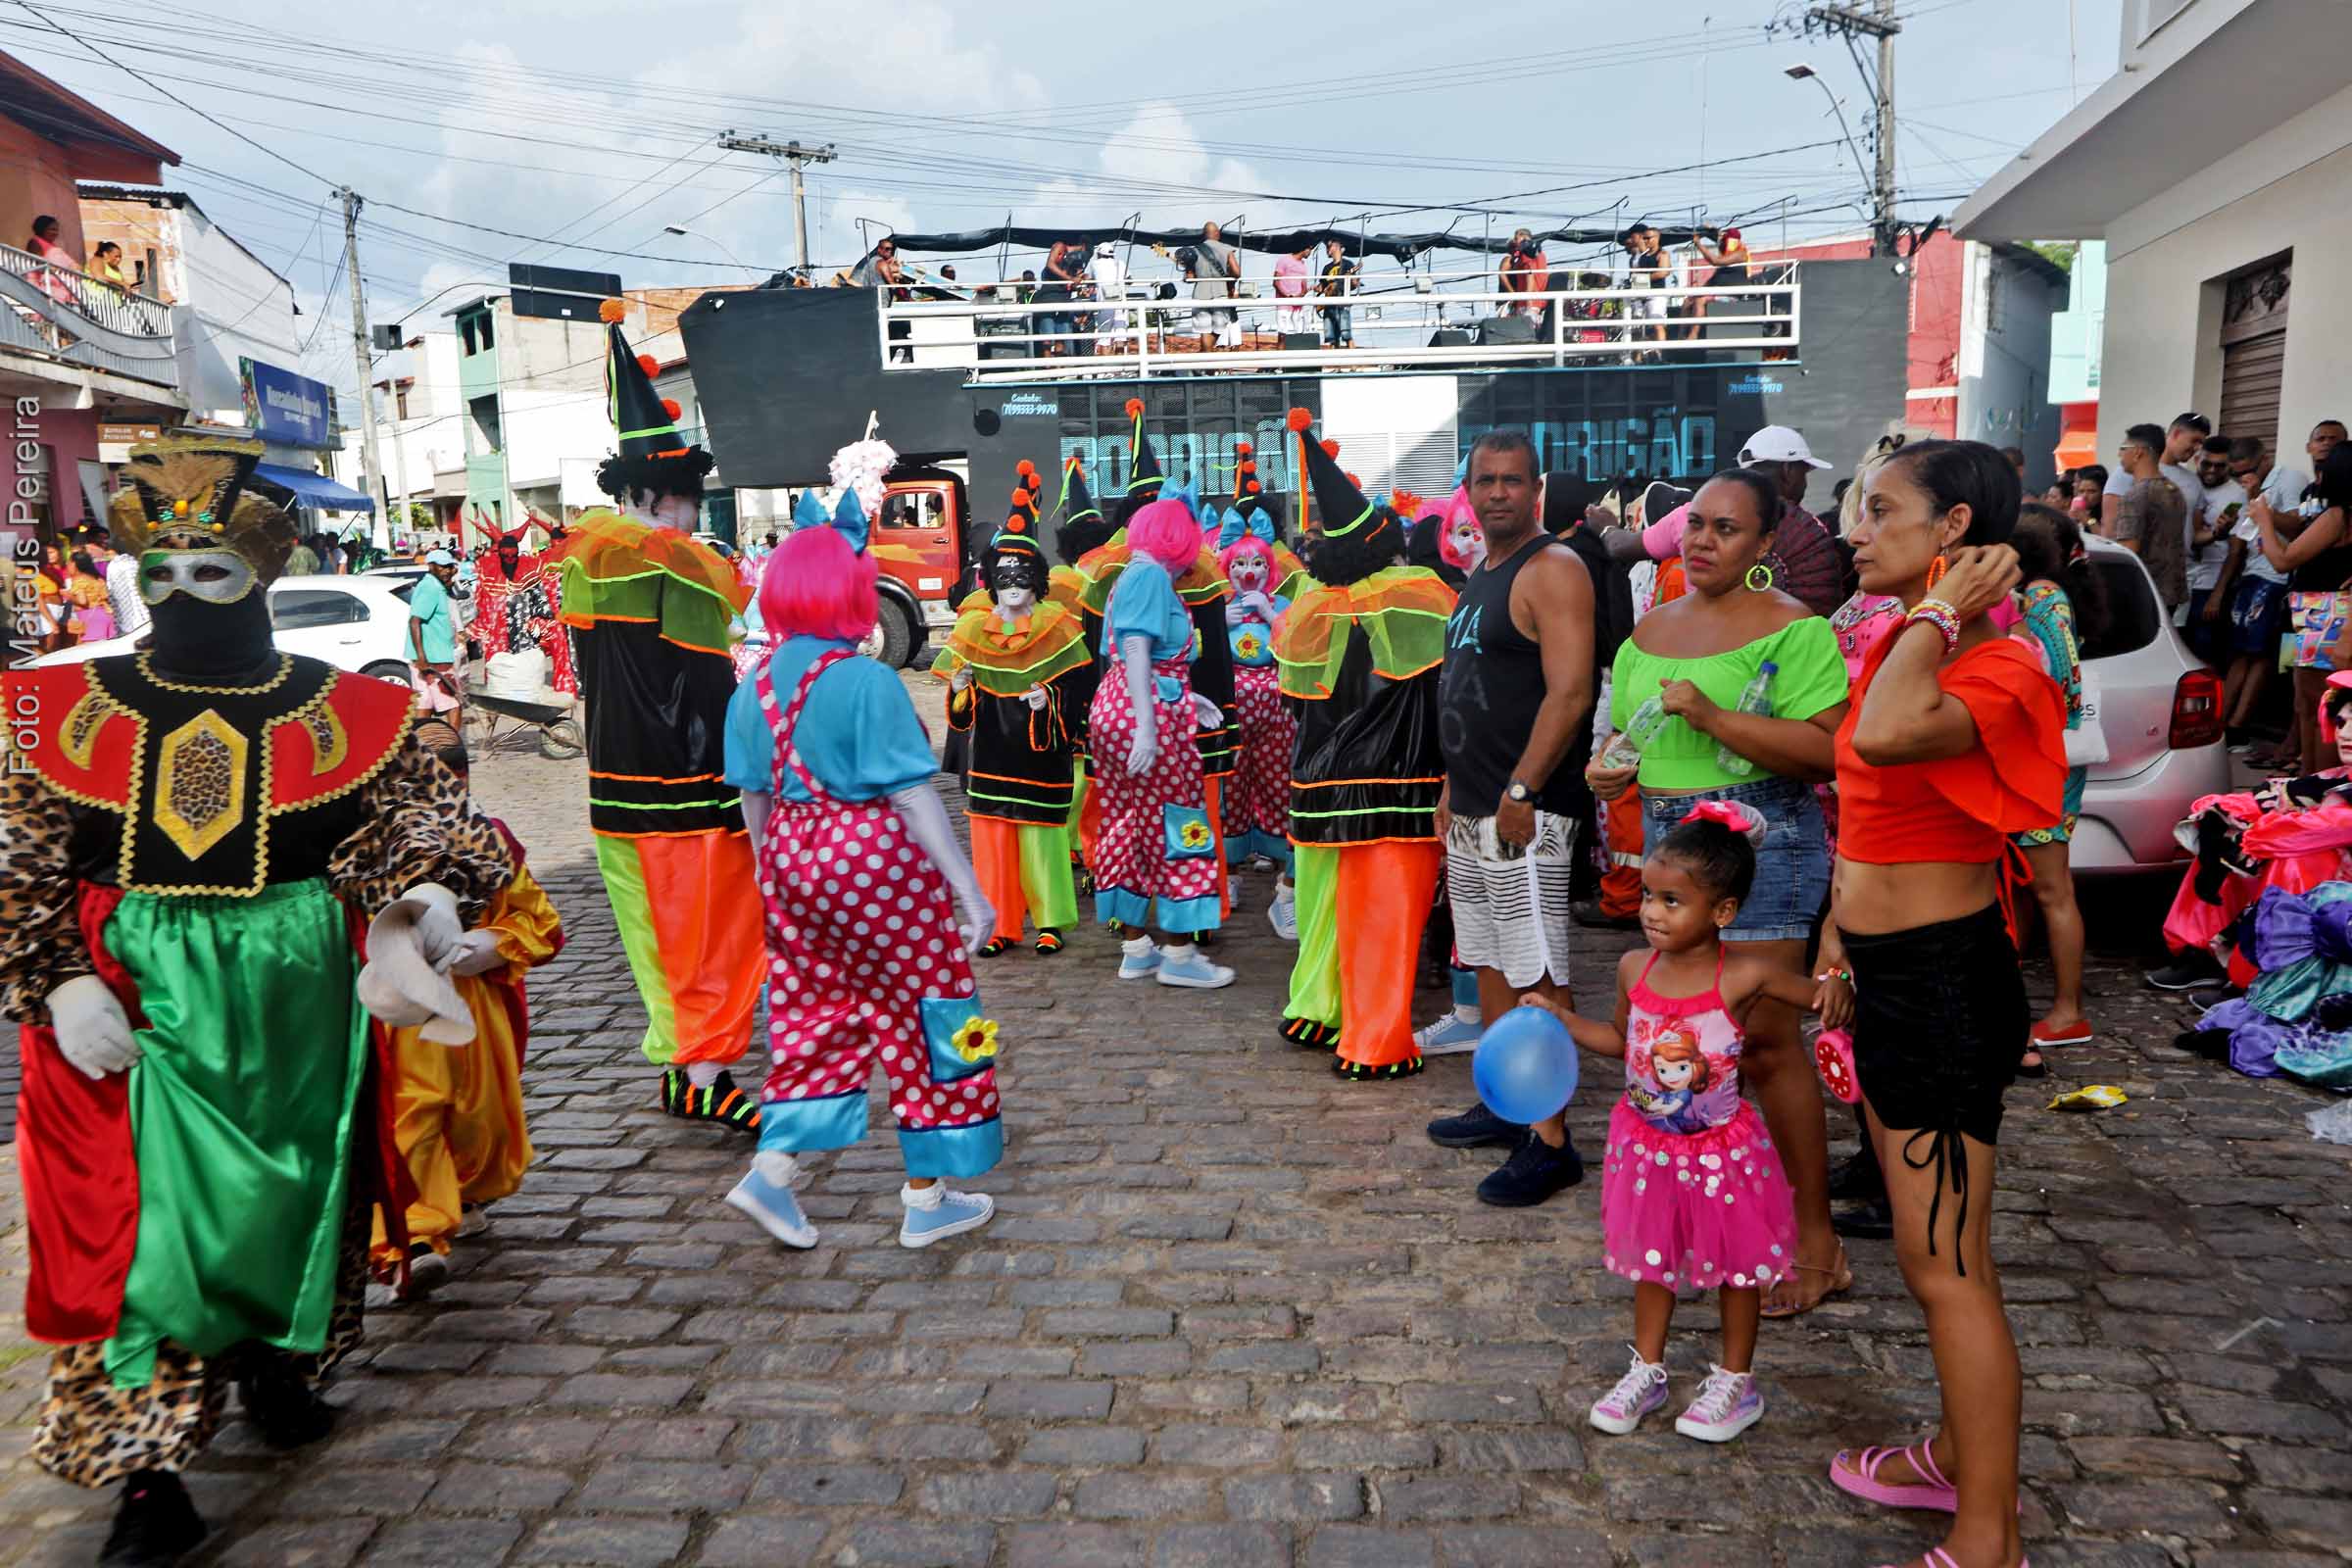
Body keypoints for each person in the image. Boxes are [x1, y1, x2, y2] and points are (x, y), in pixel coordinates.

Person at [0, 433, 514, 1561]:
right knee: (147, 1237)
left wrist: (416, 904)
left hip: (295, 990)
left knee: (294, 1197)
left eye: (213, 574)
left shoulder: (346, 708)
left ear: (261, 580)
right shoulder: (58, 711)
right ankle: (147, 1474)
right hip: (137, 999)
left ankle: (276, 1363)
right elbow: (19, 846)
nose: (186, 596)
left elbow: (421, 825)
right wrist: (59, 975)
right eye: (164, 576)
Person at [1818, 439, 2064, 1568]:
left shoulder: (1997, 663)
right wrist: (1834, 944)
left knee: (1947, 1267)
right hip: (1892, 977)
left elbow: (1878, 740)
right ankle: (1963, 1464)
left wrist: (1938, 617)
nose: (1854, 530)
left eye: (1881, 511)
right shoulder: (1917, 645)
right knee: (1936, 1261)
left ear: (1953, 533)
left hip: (1944, 987)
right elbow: (1867, 810)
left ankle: (1989, 1536)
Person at [1586, 466, 1851, 1316]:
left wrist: (1713, 718)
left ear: (1767, 544)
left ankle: (1816, 1240)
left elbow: (1825, 754)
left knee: (1766, 1044)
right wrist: (1609, 774)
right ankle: (1727, 1230)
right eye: (1697, 523)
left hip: (1768, 843)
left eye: (1728, 529)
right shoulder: (1646, 632)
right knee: (1696, 1045)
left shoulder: (1794, 630)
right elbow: (1632, 743)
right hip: (1673, 846)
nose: (1703, 539)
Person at [721, 501, 1004, 1252]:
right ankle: (927, 1194)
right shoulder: (866, 681)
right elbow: (912, 794)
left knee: (819, 1016)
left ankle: (773, 1172)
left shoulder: (750, 689)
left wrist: (769, 873)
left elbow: (753, 795)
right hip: (873, 860)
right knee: (928, 1017)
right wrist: (967, 888)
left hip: (791, 857)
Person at [1531, 803, 1828, 1442]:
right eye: (1648, 896)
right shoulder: (1634, 968)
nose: (1652, 912)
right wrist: (1561, 1021)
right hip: (1648, 1148)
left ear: (1722, 912)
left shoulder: (1745, 974)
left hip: (1721, 1151)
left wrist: (1843, 987)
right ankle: (1648, 1369)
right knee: (1652, 1260)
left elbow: (1820, 995)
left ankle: (1735, 1382)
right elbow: (1619, 1039)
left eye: (1672, 901)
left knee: (1738, 1265)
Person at [554, 301, 762, 1128]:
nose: (691, 513)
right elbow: (713, 673)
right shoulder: (668, 561)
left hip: (617, 783)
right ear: (648, 493)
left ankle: (688, 1070)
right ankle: (701, 1074)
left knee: (660, 940)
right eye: (681, 498)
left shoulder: (583, 558)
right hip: (688, 782)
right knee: (711, 935)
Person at [1426, 430, 1595, 1204]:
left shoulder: (1551, 568)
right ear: (1469, 488)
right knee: (1490, 960)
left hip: (1525, 812)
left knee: (1537, 972)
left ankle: (1551, 1139)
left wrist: (1522, 790)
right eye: (1485, 480)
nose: (1498, 493)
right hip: (1476, 806)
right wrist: (1453, 793)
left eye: (1512, 481)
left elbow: (1570, 692)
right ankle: (1508, 1102)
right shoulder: (1482, 573)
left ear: (1537, 489)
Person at [1274, 412, 1453, 1078]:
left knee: (1325, 902)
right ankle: (1374, 1042)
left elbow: (1298, 699)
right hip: (1396, 778)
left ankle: (1317, 1008)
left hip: (1319, 780)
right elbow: (1445, 691)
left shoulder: (1310, 611)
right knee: (1382, 912)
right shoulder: (1421, 598)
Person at [368, 720, 561, 1302]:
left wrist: (494, 945)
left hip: (478, 1007)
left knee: (482, 1122)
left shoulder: (492, 840)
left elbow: (540, 921)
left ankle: (468, 1192)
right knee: (414, 1114)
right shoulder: (368, 847)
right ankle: (413, 1239)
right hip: (402, 1011)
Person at [1088, 491, 1234, 988]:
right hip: (1144, 714)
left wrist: (1186, 701)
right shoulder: (1149, 575)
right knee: (1178, 821)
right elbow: (1135, 647)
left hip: (1125, 706)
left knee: (1130, 822)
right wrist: (1149, 726)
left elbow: (1133, 657)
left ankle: (1137, 947)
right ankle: (1178, 954)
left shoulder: (1131, 576)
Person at [935, 489, 1089, 956]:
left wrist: (1052, 698)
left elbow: (1080, 693)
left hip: (1039, 753)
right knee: (993, 841)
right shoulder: (973, 630)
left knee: (1041, 839)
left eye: (1022, 576)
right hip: (991, 755)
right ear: (991, 583)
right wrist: (961, 687)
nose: (1013, 585)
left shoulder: (1059, 628)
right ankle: (1001, 921)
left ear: (1038, 580)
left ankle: (1049, 920)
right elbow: (962, 714)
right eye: (1004, 578)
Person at [2006, 505, 2110, 1071]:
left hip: (2049, 761)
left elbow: (2063, 681)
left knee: (2051, 889)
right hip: (2037, 761)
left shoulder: (2043, 598)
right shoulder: (2042, 595)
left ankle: (2069, 1012)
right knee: (2025, 885)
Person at [2250, 422, 2351, 775]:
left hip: (2321, 614)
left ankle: (2315, 782)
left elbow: (2283, 559)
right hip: (2311, 612)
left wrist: (2263, 519)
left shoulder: (2338, 515)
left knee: (2316, 706)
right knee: (2306, 702)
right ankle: (2309, 779)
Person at [2216, 433, 2317, 752]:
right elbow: (2241, 540)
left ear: (2265, 460)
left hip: (2277, 578)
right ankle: (2220, 725)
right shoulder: (2246, 488)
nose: (2241, 477)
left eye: (2248, 470)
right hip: (2250, 576)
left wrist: (2261, 503)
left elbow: (2299, 530)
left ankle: (2238, 727)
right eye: (2235, 473)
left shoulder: (2290, 479)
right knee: (2240, 653)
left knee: (2260, 655)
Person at [1216, 509, 1296, 890]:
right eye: (1241, 563)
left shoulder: (1281, 605)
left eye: (1258, 563)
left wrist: (1273, 617)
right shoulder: (1218, 605)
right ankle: (1228, 872)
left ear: (1270, 568)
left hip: (1276, 714)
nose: (1249, 570)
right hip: (1231, 712)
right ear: (1228, 567)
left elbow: (1300, 649)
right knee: (1231, 786)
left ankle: (1285, 880)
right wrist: (1217, 625)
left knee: (1277, 784)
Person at [1737, 425, 1849, 616]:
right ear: (1788, 470)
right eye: (1804, 474)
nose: (1805, 484)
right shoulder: (1811, 533)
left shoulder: (1708, 516)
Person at [2110, 422, 2188, 612]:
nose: (2120, 455)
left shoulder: (2136, 495)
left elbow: (2128, 553)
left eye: (2123, 448)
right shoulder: (2174, 490)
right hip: (2171, 592)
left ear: (2138, 452)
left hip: (2144, 593)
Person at [2183, 435, 2240, 662]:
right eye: (2207, 464)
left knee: (2202, 652)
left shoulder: (2236, 495)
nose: (2212, 470)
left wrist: (2217, 595)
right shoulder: (2187, 484)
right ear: (2197, 459)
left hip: (2209, 583)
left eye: (2220, 466)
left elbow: (2236, 551)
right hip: (2180, 580)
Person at [407, 547, 464, 718]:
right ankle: (453, 745)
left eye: (449, 567)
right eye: (442, 567)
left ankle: (424, 741)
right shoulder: (431, 588)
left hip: (428, 656)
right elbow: (414, 621)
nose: (446, 570)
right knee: (454, 703)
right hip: (435, 658)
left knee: (425, 704)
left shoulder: (434, 585)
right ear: (431, 566)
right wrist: (422, 657)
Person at [1193, 220, 1240, 348]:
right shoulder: (1226, 248)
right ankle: (1206, 360)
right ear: (1217, 233)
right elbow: (1237, 272)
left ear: (1204, 234)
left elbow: (1189, 276)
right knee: (1219, 329)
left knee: (1204, 331)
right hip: (1220, 292)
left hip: (1200, 293)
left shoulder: (1194, 251)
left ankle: (1206, 363)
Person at [26, 214, 77, 308]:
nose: (56, 233)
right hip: (46, 286)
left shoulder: (53, 246)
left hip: (60, 286)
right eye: (52, 229)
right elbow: (38, 264)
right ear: (42, 229)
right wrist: (57, 270)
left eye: (57, 230)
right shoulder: (35, 242)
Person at [1316, 238, 1358, 350]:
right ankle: (1337, 367)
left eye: (1329, 246)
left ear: (1337, 247)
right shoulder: (1326, 268)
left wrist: (1353, 281)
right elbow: (1322, 287)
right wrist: (1315, 288)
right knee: (1331, 338)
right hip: (1328, 304)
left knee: (1346, 335)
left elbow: (1354, 285)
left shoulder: (1348, 264)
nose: (1327, 249)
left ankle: (1353, 365)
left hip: (1342, 303)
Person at [65, 548, 113, 644]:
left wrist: (68, 596)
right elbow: (106, 596)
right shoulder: (98, 579)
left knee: (90, 653)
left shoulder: (79, 580)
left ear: (74, 564)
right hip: (106, 615)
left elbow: (82, 601)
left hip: (91, 618)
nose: (67, 565)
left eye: (68, 563)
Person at [1498, 228, 1548, 320]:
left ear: (1524, 238)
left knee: (1524, 331)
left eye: (1516, 239)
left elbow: (1530, 273)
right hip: (1534, 301)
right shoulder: (1539, 254)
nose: (1514, 242)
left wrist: (1528, 300)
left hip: (1527, 303)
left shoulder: (1527, 253)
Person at [1088, 241, 1128, 353]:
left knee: (1104, 337)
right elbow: (1129, 280)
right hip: (1120, 302)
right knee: (1120, 337)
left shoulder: (1094, 264)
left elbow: (1090, 280)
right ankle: (1120, 369)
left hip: (1104, 302)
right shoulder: (1121, 263)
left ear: (1099, 253)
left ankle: (1107, 368)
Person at [1273, 244, 1312, 336]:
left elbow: (1304, 287)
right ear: (1304, 248)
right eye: (1310, 249)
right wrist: (1288, 296)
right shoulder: (1284, 260)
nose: (1310, 252)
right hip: (1284, 305)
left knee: (1299, 335)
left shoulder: (1303, 265)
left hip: (1298, 306)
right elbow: (1276, 282)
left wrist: (1301, 295)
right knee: (1282, 335)